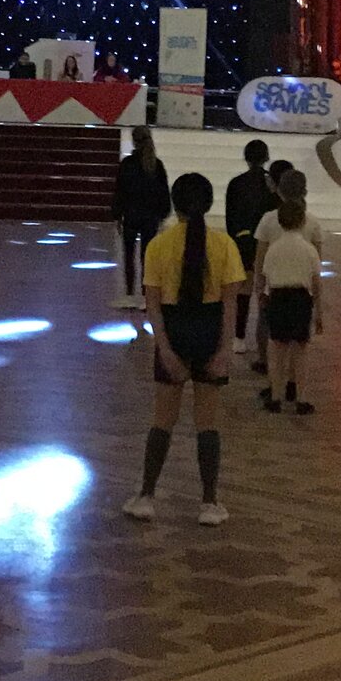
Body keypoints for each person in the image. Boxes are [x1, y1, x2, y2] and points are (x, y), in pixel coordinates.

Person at [124, 172, 243, 527]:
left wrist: (165, 350)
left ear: (175, 205)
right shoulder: (224, 246)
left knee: (163, 420)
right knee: (207, 423)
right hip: (209, 331)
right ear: (208, 204)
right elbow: (230, 306)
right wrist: (224, 350)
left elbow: (153, 306)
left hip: (174, 332)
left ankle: (146, 496)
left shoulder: (158, 246)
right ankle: (209, 502)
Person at [251, 168, 320, 399]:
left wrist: (259, 287)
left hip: (275, 289)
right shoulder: (311, 222)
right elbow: (316, 265)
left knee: (275, 341)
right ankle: (294, 385)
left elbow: (260, 258)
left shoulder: (269, 219)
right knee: (299, 344)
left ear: (279, 191)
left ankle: (275, 386)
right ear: (305, 191)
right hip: (303, 292)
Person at [111, 126, 171, 310]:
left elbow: (119, 192)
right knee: (147, 256)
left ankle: (130, 294)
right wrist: (162, 214)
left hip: (131, 215)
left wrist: (117, 215)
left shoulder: (127, 164)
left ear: (134, 141)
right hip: (150, 217)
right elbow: (163, 193)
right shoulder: (156, 165)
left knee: (129, 255)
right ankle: (146, 296)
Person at [223, 139, 273, 356]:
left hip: (243, 241)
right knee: (265, 290)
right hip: (268, 243)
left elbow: (230, 218)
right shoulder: (271, 183)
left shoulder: (236, 183)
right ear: (266, 157)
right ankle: (265, 340)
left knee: (243, 290)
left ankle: (239, 337)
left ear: (246, 157)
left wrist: (235, 239)